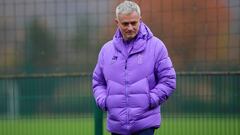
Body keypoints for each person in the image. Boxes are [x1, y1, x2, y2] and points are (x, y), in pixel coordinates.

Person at [92, 1, 176, 135]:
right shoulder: (106, 50)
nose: (130, 27)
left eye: (134, 23)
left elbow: (169, 80)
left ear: (140, 20)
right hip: (116, 125)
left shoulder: (156, 46)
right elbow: (98, 82)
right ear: (117, 22)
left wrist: (150, 99)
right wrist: (104, 101)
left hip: (145, 124)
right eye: (125, 24)